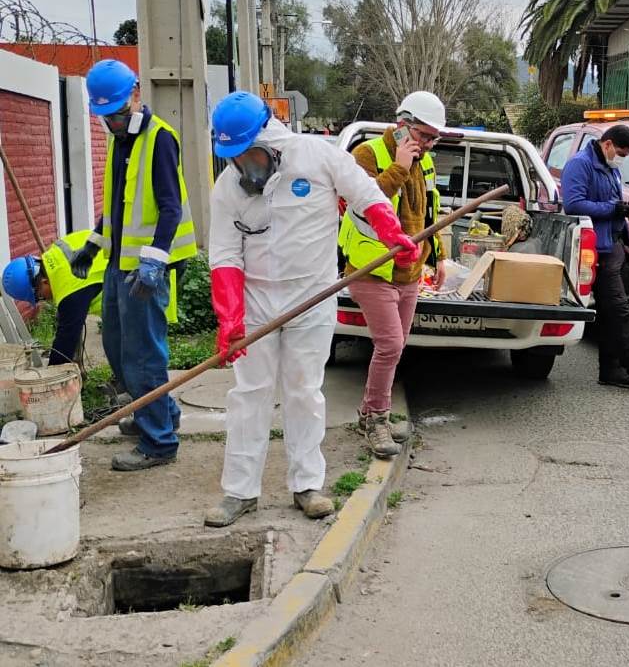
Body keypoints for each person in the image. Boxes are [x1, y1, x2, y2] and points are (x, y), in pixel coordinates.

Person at [204, 92, 418, 527]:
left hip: (312, 295)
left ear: (269, 139)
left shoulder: (319, 158)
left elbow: (366, 195)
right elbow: (225, 254)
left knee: (304, 390)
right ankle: (240, 491)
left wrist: (392, 234)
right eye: (234, 158)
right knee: (250, 396)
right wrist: (230, 317)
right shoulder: (228, 187)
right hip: (257, 301)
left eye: (247, 155)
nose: (241, 166)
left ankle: (307, 485)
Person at [71, 59, 197, 471]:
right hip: (117, 263)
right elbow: (119, 208)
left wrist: (154, 263)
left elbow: (170, 207)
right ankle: (160, 412)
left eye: (119, 114)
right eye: (106, 117)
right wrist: (91, 246)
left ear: (137, 95)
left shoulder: (160, 138)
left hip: (144, 269)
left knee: (143, 356)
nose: (113, 123)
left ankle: (159, 442)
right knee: (119, 349)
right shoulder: (118, 140)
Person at [339, 91, 447, 459]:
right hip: (373, 268)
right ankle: (376, 420)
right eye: (424, 135)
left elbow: (430, 211)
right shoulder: (368, 155)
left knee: (396, 346)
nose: (429, 144)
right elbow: (367, 204)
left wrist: (440, 256)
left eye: (434, 138)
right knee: (390, 345)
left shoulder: (426, 162)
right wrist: (400, 167)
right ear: (403, 125)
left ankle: (370, 411)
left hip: (410, 271)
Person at [563, 124, 629, 398]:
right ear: (607, 144)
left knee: (613, 311)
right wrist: (613, 209)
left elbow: (611, 201)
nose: (622, 157)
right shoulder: (580, 165)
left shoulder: (611, 167)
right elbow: (573, 204)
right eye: (620, 151)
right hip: (595, 249)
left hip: (615, 244)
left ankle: (610, 370)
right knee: (620, 312)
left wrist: (625, 210)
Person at [3, 231, 106, 366]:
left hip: (133, 285)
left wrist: (52, 373)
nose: (44, 300)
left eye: (39, 296)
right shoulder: (56, 251)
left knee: (126, 346)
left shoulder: (67, 289)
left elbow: (66, 339)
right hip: (128, 263)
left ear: (44, 282)